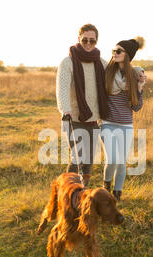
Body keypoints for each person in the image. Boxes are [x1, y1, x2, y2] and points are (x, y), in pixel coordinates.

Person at [56, 24, 109, 187]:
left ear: (96, 41)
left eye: (92, 41)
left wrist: (137, 77)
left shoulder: (102, 62)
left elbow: (115, 82)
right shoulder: (68, 62)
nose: (88, 43)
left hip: (94, 118)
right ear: (79, 39)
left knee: (89, 159)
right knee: (78, 157)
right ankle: (66, 190)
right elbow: (62, 88)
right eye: (85, 40)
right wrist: (65, 110)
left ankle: (81, 191)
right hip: (74, 117)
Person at [100, 37, 147, 201]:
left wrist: (140, 88)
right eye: (113, 50)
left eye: (118, 51)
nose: (114, 53)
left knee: (121, 162)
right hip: (107, 124)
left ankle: (117, 195)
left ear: (127, 55)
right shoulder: (107, 72)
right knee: (112, 159)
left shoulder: (134, 77)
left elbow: (136, 107)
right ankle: (106, 185)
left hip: (126, 126)